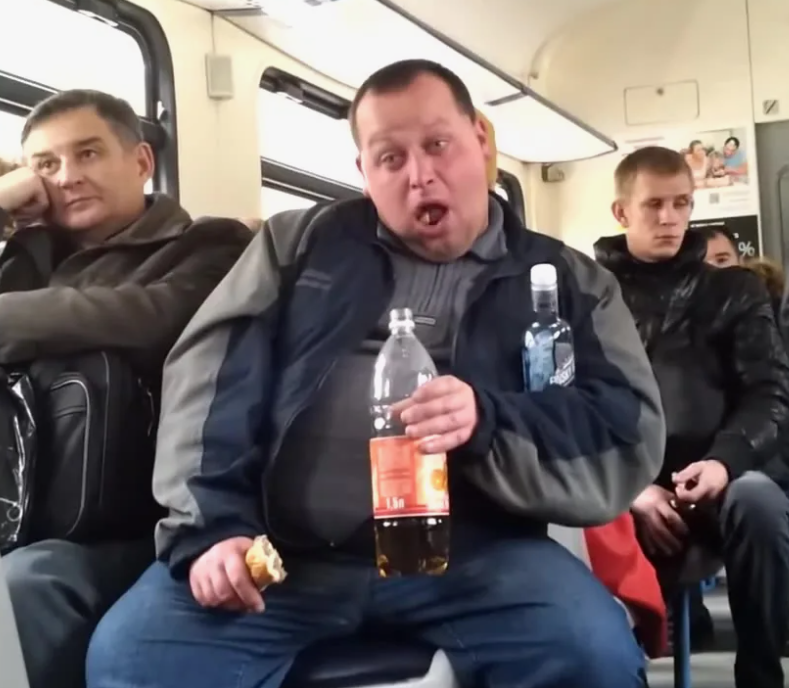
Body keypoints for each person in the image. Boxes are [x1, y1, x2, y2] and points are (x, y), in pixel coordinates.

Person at [87, 60, 665, 688]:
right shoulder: (298, 246)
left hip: (481, 560)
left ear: (480, 140)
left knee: (594, 656)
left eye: (438, 144)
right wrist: (213, 530)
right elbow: (211, 385)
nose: (420, 175)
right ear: (363, 173)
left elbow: (624, 427)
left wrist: (488, 419)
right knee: (134, 660)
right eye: (390, 159)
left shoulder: (570, 282)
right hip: (286, 554)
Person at [0, 89, 251, 688]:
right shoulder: (28, 256)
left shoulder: (210, 246)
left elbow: (151, 318)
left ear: (141, 161)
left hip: (132, 521)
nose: (68, 177)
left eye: (88, 153)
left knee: (24, 583)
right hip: (18, 507)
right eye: (47, 165)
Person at [595, 145, 789, 688]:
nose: (670, 218)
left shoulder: (733, 290)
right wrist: (631, 488)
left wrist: (723, 462)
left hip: (720, 476)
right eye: (654, 204)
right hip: (619, 486)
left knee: (759, 501)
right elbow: (572, 403)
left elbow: (769, 392)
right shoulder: (588, 294)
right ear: (622, 211)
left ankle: (761, 674)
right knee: (565, 525)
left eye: (681, 203)